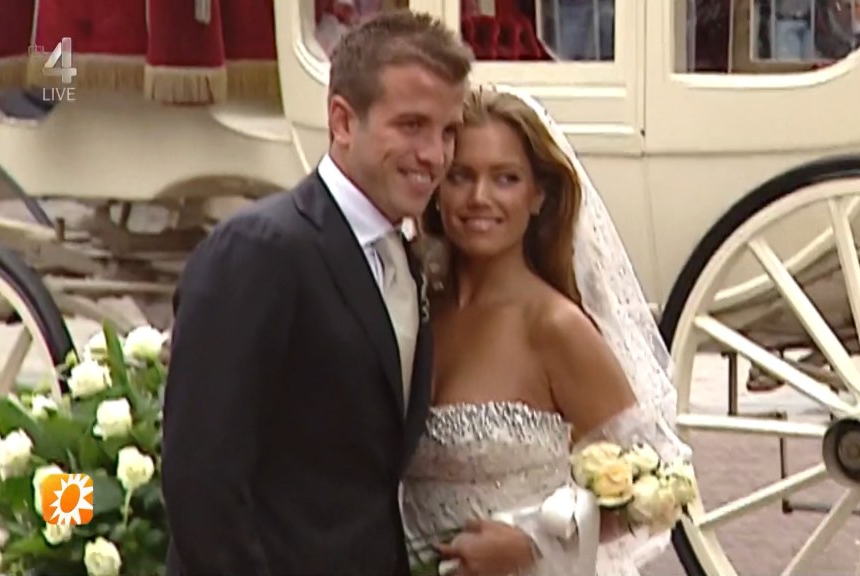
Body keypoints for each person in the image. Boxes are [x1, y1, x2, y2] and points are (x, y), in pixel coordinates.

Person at [161, 11, 472, 575]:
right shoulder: (258, 250)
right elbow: (202, 485)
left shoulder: (403, 254)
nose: (435, 155)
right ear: (343, 121)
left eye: (448, 132)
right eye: (411, 125)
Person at [401, 87, 690, 575]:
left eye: (506, 178)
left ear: (537, 195)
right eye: (460, 176)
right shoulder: (414, 310)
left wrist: (531, 544)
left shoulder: (555, 327)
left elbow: (662, 482)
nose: (479, 197)